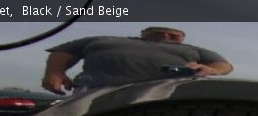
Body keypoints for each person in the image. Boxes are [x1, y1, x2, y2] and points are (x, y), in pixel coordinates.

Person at [42, 26, 233, 94]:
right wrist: (54, 72)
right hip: (94, 88)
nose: (166, 36)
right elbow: (64, 51)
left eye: (173, 35)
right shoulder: (103, 40)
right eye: (159, 32)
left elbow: (223, 65)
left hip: (161, 93)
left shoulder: (193, 50)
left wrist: (211, 70)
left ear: (182, 38)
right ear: (143, 32)